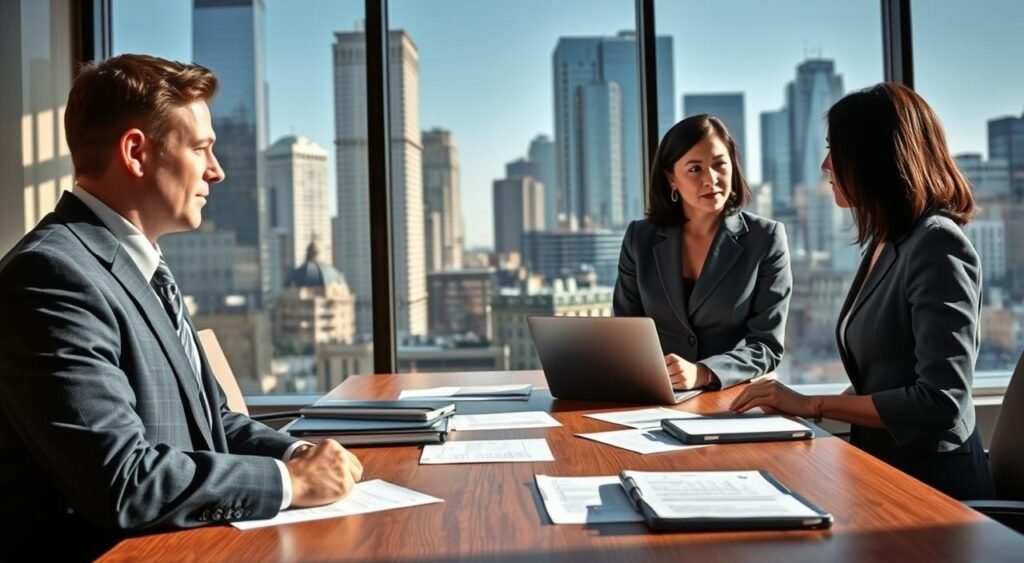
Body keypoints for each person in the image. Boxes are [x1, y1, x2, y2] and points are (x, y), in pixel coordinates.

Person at [0, 54, 363, 558]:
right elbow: (124, 482)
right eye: (201, 148)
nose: (217, 172)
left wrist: (296, 452)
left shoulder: (143, 270)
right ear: (136, 152)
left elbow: (212, 421)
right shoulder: (50, 278)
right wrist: (290, 482)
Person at [729, 83, 994, 500]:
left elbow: (940, 399)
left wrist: (812, 406)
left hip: (933, 489)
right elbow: (881, 377)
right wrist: (798, 415)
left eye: (836, 150)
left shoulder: (938, 243)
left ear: (875, 159)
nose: (825, 165)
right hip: (882, 470)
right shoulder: (888, 242)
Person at [614, 114, 792, 391]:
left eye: (720, 165)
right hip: (653, 394)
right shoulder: (640, 238)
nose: (712, 180)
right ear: (671, 178)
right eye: (695, 169)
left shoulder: (766, 238)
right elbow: (625, 332)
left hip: (731, 399)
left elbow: (767, 346)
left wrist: (704, 372)